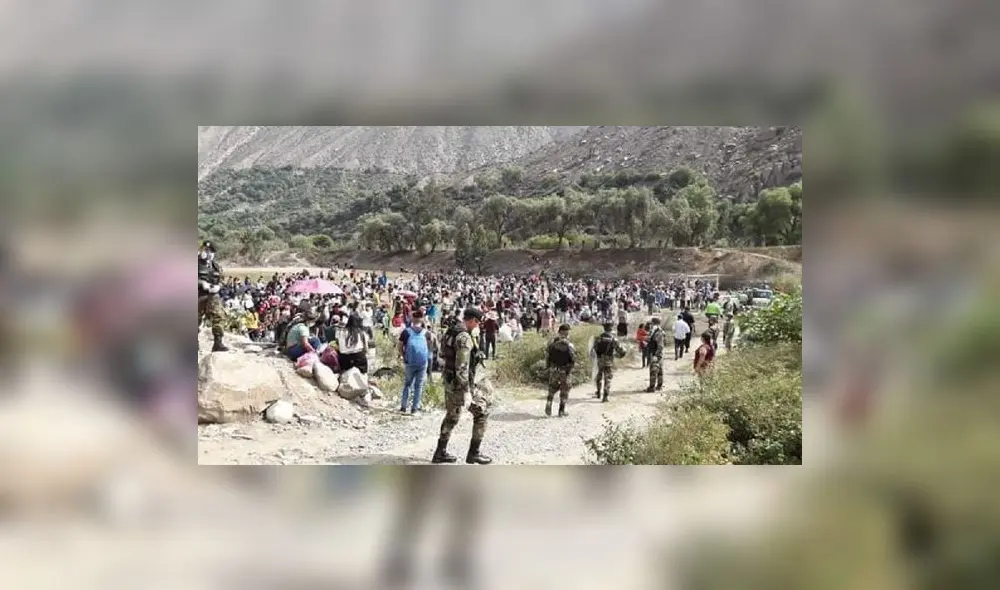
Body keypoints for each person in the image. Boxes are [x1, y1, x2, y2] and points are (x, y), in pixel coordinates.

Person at [433, 308, 492, 465]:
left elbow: (442, 355)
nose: (478, 325)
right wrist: (467, 391)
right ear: (472, 320)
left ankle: (440, 452)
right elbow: (462, 367)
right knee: (481, 413)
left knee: (452, 416)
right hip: (460, 385)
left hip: (449, 380)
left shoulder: (450, 331)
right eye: (477, 322)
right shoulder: (464, 337)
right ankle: (474, 453)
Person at [197, 241, 229, 352]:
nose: (208, 253)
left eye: (211, 251)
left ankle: (217, 343)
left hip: (212, 296)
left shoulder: (216, 267)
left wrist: (218, 287)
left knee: (219, 315)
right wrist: (201, 283)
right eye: (206, 250)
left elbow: (222, 280)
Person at [398, 311, 430, 414]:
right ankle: (414, 408)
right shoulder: (426, 333)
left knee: (407, 384)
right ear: (422, 319)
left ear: (412, 318)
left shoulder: (406, 332)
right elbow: (430, 347)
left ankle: (403, 407)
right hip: (422, 362)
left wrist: (403, 356)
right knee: (418, 386)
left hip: (410, 362)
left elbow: (399, 346)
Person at [544, 324, 576, 417]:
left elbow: (547, 356)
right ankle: (561, 410)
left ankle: (549, 402)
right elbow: (573, 358)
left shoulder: (552, 343)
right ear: (565, 332)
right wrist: (569, 370)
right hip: (564, 371)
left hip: (554, 369)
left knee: (552, 387)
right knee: (565, 389)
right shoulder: (569, 344)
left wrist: (548, 367)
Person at [591, 322, 626, 402]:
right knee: (608, 378)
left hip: (599, 360)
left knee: (599, 377)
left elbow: (594, 348)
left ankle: (598, 392)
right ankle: (605, 396)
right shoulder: (613, 339)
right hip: (609, 361)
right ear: (611, 329)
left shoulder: (599, 337)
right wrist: (619, 356)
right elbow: (621, 350)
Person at [645, 317, 665, 392]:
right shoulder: (656, 331)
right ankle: (659, 385)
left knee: (654, 370)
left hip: (656, 353)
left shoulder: (658, 332)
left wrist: (656, 355)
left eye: (651, 323)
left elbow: (660, 345)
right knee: (659, 370)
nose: (650, 324)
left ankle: (652, 387)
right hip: (657, 353)